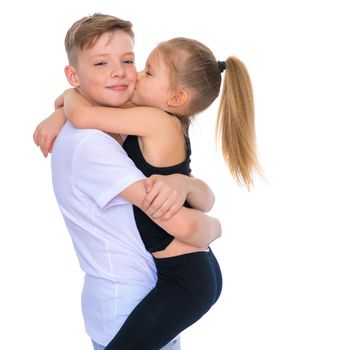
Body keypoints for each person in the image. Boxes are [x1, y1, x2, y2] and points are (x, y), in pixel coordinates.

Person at [39, 29, 260, 350]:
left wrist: (69, 96)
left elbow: (84, 113)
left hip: (185, 280)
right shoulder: (158, 118)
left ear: (176, 98)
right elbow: (97, 103)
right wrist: (61, 108)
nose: (136, 76)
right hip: (187, 273)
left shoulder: (155, 121)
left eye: (149, 72)